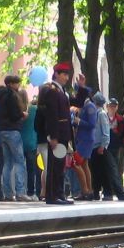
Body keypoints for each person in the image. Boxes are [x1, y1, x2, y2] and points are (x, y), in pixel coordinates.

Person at [40, 62, 74, 204]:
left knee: (60, 166)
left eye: (67, 74)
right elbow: (52, 115)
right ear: (57, 74)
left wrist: (82, 88)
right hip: (57, 134)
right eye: (64, 74)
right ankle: (53, 195)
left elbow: (76, 101)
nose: (67, 77)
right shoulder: (52, 90)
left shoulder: (61, 91)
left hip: (63, 133)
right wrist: (53, 136)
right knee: (55, 166)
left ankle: (59, 194)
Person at [0, 74, 27, 202]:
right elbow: (14, 115)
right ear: (11, 84)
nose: (18, 86)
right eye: (17, 83)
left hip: (2, 130)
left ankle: (8, 193)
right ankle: (20, 192)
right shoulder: (12, 96)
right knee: (19, 161)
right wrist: (22, 115)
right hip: (13, 130)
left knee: (7, 163)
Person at [103, 98, 124, 201]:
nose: (112, 108)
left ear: (117, 107)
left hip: (116, 147)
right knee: (111, 169)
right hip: (106, 147)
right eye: (110, 106)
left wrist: (122, 143)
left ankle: (110, 192)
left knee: (115, 169)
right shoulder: (103, 117)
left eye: (114, 106)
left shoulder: (121, 119)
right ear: (107, 107)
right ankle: (117, 193)